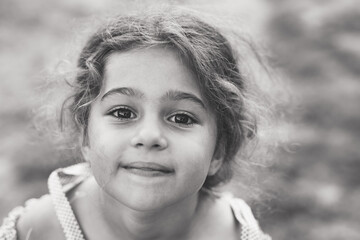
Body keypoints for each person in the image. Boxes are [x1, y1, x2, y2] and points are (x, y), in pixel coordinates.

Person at [0, 7, 274, 240]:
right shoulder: (33, 231)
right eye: (122, 113)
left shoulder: (241, 235)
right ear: (85, 133)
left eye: (182, 118)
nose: (149, 136)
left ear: (220, 149)